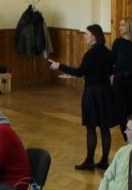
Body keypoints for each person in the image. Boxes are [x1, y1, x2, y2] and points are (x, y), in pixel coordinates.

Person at [49, 24, 116, 170]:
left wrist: (60, 66)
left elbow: (79, 72)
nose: (84, 36)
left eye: (86, 34)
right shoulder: (108, 52)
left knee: (91, 127)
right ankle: (104, 161)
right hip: (106, 92)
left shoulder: (90, 54)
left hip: (92, 93)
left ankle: (89, 161)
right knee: (105, 128)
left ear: (94, 36)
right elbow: (112, 70)